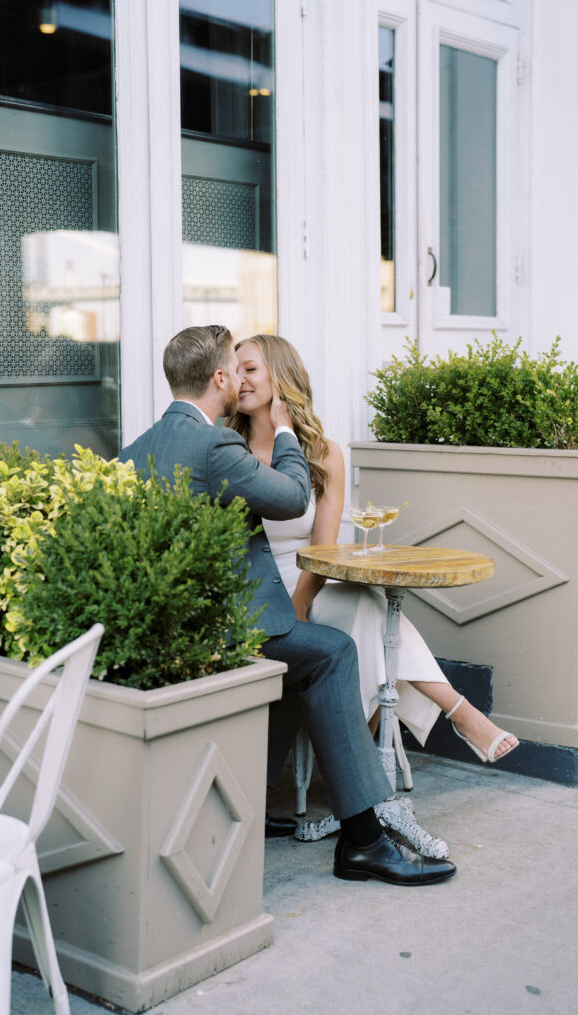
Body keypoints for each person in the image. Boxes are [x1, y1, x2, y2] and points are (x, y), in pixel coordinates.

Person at [118, 324, 455, 887]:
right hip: (228, 628)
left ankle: (253, 803)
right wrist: (286, 435)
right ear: (220, 377)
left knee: (308, 652)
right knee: (331, 654)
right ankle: (365, 841)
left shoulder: (138, 447)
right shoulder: (217, 444)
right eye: (236, 367)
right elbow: (294, 497)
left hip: (181, 625)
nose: (241, 379)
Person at [228, 334, 520, 769]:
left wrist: (302, 603)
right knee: (370, 614)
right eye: (236, 372)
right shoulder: (230, 451)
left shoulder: (324, 453)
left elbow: (322, 548)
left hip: (309, 579)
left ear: (281, 377)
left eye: (250, 369)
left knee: (368, 607)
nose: (240, 380)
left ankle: (363, 759)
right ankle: (449, 718)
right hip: (259, 586)